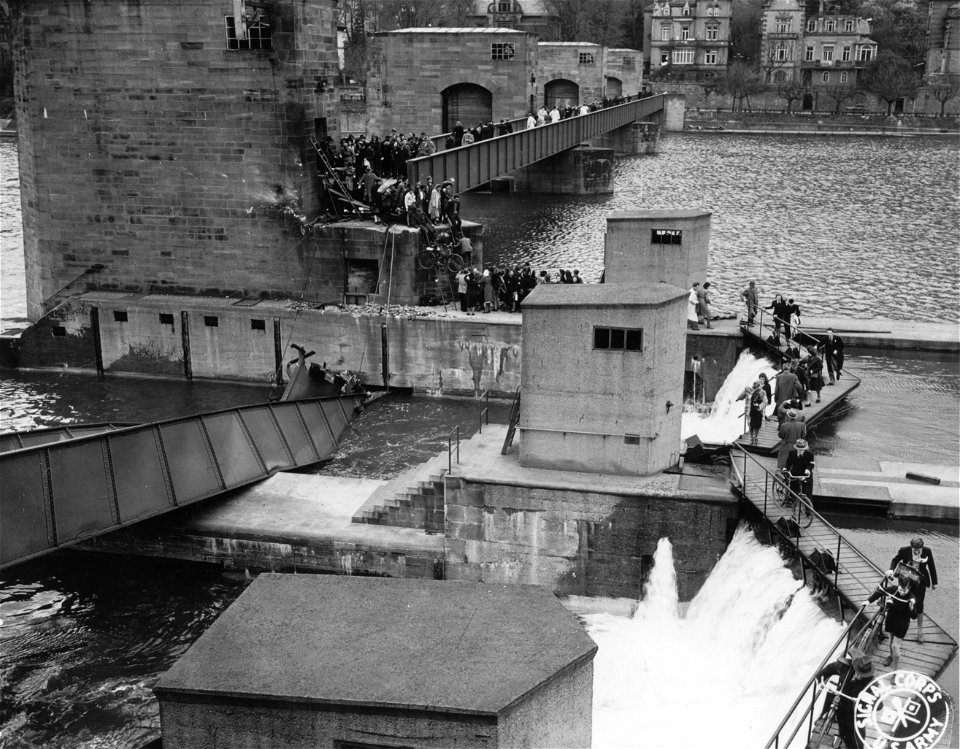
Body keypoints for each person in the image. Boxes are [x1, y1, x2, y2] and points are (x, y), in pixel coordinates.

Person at [814, 654, 875, 749]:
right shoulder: (846, 668)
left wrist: (862, 701)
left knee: (857, 741)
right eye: (857, 672)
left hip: (856, 714)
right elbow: (831, 667)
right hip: (842, 708)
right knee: (843, 732)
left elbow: (878, 705)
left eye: (862, 675)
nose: (858, 676)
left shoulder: (871, 684)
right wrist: (819, 678)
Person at [888, 537, 937, 644]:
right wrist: (891, 570)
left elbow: (931, 566)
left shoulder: (927, 551)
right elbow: (895, 560)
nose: (917, 550)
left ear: (922, 547)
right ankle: (898, 626)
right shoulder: (904, 550)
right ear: (911, 546)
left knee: (919, 604)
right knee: (901, 600)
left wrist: (934, 582)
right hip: (906, 579)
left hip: (920, 582)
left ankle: (920, 631)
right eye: (914, 548)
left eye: (919, 548)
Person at [866, 571, 917, 669]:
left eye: (905, 590)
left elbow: (914, 616)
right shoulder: (893, 590)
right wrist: (868, 601)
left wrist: (911, 607)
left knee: (895, 646)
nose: (902, 592)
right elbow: (879, 592)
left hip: (902, 624)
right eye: (901, 589)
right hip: (891, 619)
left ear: (909, 587)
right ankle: (890, 656)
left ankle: (895, 670)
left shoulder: (912, 597)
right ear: (898, 585)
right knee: (890, 642)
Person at [738, 380, 768, 446]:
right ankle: (752, 438)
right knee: (751, 425)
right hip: (750, 411)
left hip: (758, 411)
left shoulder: (762, 392)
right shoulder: (749, 390)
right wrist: (738, 398)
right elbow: (742, 395)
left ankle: (755, 438)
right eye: (755, 385)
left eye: (757, 386)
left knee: (757, 426)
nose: (756, 387)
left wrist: (759, 406)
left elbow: (765, 401)